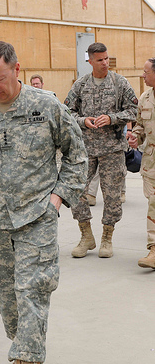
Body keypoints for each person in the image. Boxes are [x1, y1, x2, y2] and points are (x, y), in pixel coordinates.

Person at [0, 41, 87, 364]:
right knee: (8, 297)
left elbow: (77, 156)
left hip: (36, 217)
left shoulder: (46, 106)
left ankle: (26, 357)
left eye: (0, 78)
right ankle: (22, 345)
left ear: (16, 69)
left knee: (32, 290)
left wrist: (58, 198)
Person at [64, 42, 137, 258]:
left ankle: (107, 237)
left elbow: (133, 110)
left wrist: (112, 118)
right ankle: (86, 235)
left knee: (112, 196)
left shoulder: (119, 83)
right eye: (100, 60)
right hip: (85, 149)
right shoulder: (81, 84)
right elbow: (67, 112)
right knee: (76, 191)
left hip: (112, 149)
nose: (105, 63)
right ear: (90, 61)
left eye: (106, 59)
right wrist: (83, 120)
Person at [128, 57, 155, 268]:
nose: (142, 75)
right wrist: (135, 136)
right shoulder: (145, 98)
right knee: (153, 203)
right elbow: (140, 125)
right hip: (151, 162)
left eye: (146, 72)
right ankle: (154, 249)